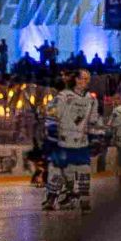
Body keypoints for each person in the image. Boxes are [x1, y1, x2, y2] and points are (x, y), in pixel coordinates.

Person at [44, 69, 102, 213]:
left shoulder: (91, 99)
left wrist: (96, 138)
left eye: (88, 79)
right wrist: (52, 135)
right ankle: (52, 198)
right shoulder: (63, 96)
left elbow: (93, 121)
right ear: (76, 79)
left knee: (84, 171)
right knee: (57, 170)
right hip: (63, 142)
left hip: (81, 143)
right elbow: (51, 115)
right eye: (83, 78)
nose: (86, 82)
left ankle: (83, 201)